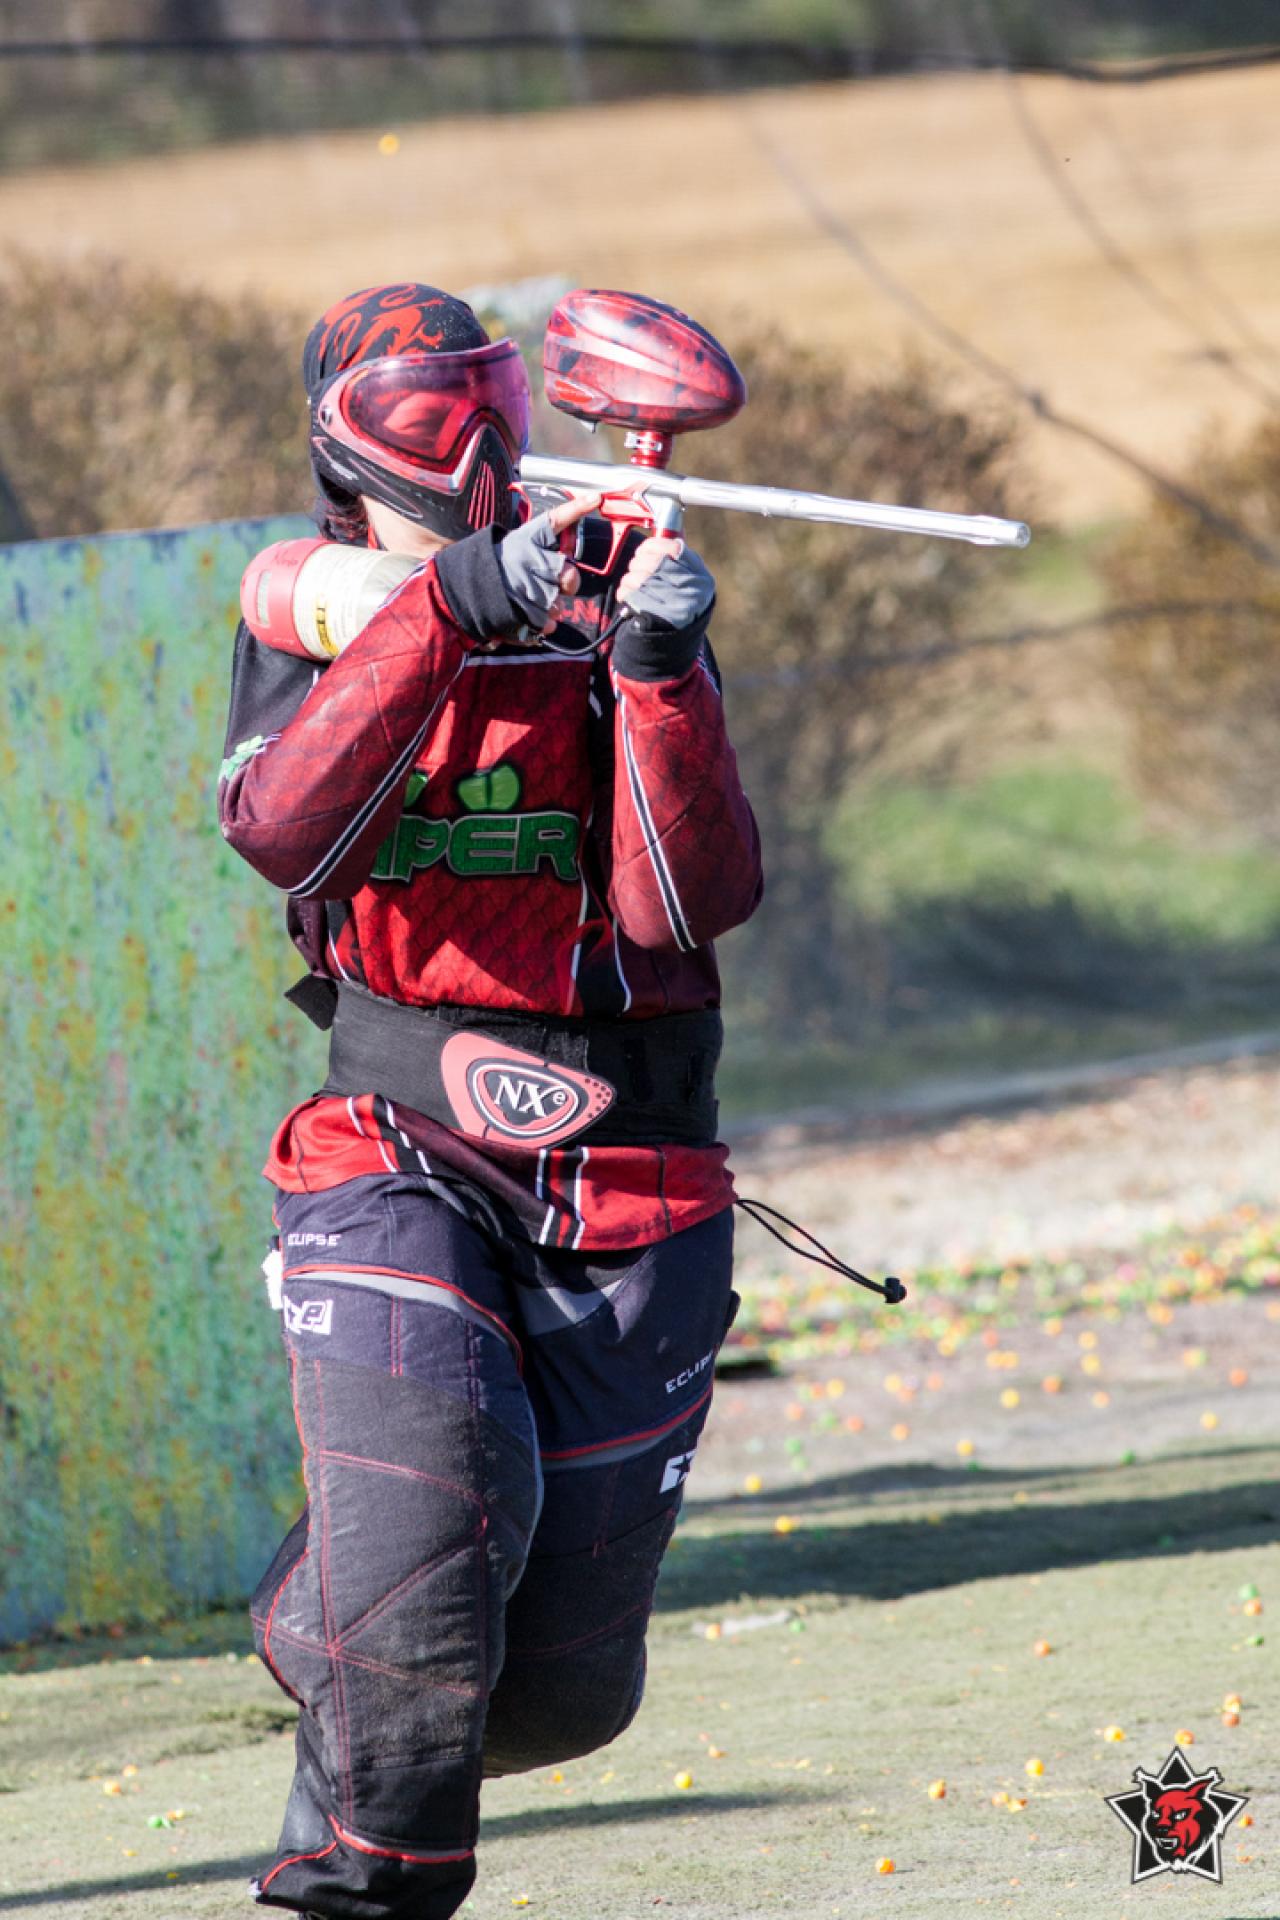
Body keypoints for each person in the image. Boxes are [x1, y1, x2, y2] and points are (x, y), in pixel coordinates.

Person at [218, 281, 763, 1920]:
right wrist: (454, 604)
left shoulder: (610, 604)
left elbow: (687, 904)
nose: (463, 454)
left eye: (480, 409)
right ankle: (365, 1854)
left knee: (559, 1698)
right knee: (425, 1577)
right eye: (421, 418)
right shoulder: (304, 617)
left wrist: (659, 667)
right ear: (348, 448)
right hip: (396, 1149)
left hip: (634, 1177)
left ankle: (335, 1614)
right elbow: (285, 832)